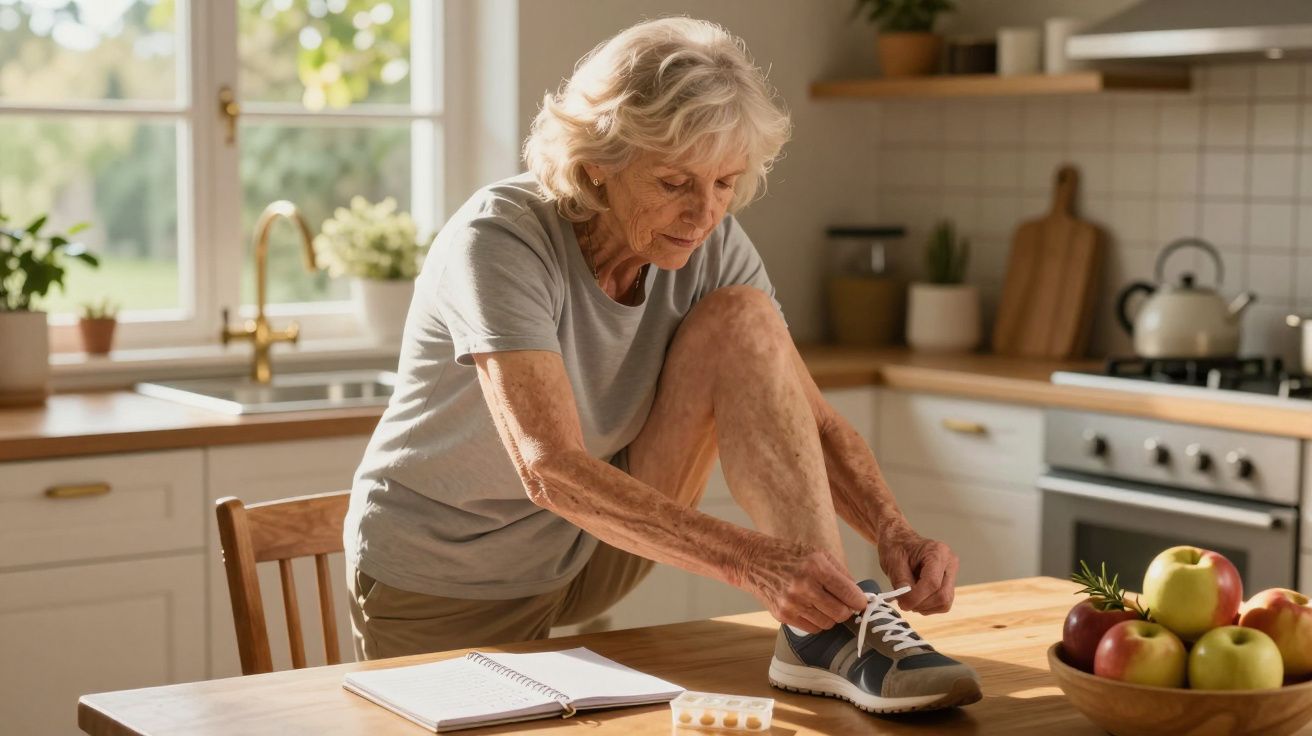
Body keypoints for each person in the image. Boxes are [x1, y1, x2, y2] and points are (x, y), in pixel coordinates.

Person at [343, 16, 981, 714]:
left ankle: (822, 634)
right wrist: (753, 561)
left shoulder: (711, 242)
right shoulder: (499, 239)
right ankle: (821, 621)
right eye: (676, 182)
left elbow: (813, 421)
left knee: (745, 317)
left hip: (586, 550)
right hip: (447, 578)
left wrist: (894, 529)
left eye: (724, 183)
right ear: (597, 163)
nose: (703, 214)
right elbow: (550, 468)